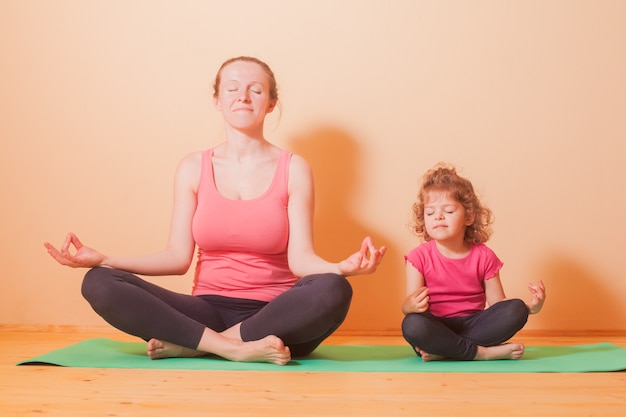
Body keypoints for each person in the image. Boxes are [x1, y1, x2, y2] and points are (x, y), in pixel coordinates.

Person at [44, 56, 386, 366]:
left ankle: (199, 346)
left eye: (256, 90)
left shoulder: (294, 168)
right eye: (232, 88)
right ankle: (232, 347)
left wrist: (341, 268)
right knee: (99, 282)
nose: (243, 96)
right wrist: (104, 259)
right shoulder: (193, 167)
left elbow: (301, 262)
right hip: (205, 310)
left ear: (271, 103)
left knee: (334, 289)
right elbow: (177, 257)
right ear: (217, 101)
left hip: (276, 317)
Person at [401, 163, 545, 361]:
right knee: (412, 325)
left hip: (474, 325)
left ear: (468, 216)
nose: (438, 217)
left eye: (449, 211)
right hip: (436, 325)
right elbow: (411, 308)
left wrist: (531, 308)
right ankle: (481, 353)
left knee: (516, 309)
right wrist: (407, 306)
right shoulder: (417, 257)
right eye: (430, 212)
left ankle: (445, 352)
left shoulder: (484, 256)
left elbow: (498, 305)